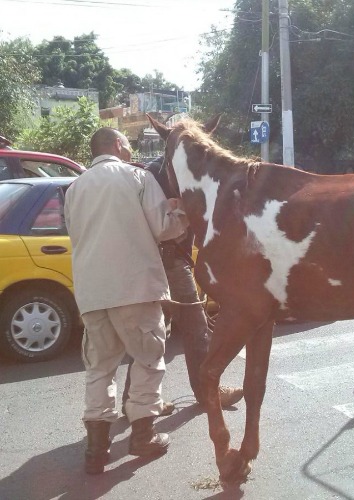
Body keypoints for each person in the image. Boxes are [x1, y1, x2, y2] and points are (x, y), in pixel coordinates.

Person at [64, 128, 188, 475]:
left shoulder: (75, 188)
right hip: (135, 288)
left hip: (92, 293)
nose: (131, 148)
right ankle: (143, 436)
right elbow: (164, 228)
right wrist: (179, 213)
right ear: (117, 145)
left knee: (99, 368)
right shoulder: (137, 177)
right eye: (128, 143)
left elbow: (76, 234)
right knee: (148, 360)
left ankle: (96, 449)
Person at [122, 156, 243, 413]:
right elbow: (166, 222)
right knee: (194, 327)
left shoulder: (161, 172)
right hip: (171, 260)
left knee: (152, 331)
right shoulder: (162, 174)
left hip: (162, 260)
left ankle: (135, 399)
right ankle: (207, 394)